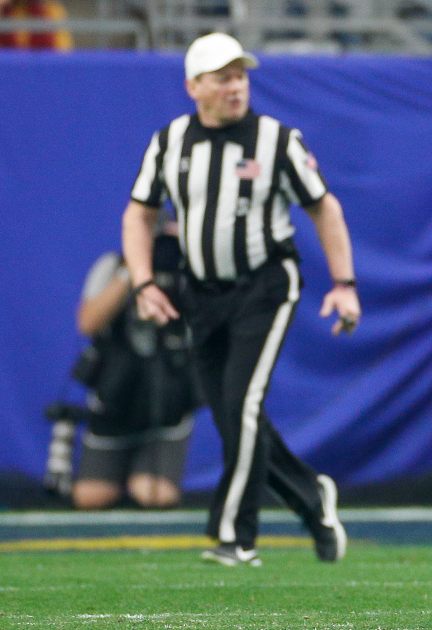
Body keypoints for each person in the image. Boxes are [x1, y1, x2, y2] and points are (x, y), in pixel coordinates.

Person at [122, 32, 358, 566]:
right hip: (200, 293)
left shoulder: (276, 139)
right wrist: (142, 281)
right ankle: (310, 496)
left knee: (243, 406)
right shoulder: (170, 141)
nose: (235, 86)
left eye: (240, 75)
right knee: (232, 415)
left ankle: (236, 535)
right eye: (222, 77)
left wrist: (344, 285)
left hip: (265, 286)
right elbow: (139, 212)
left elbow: (325, 208)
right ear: (193, 87)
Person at [46, 223, 199, 510]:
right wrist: (134, 270)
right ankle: (117, 476)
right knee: (90, 498)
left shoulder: (185, 271)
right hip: (115, 398)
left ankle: (141, 478)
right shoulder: (112, 266)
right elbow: (88, 323)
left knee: (155, 495)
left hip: (166, 400)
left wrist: (191, 258)